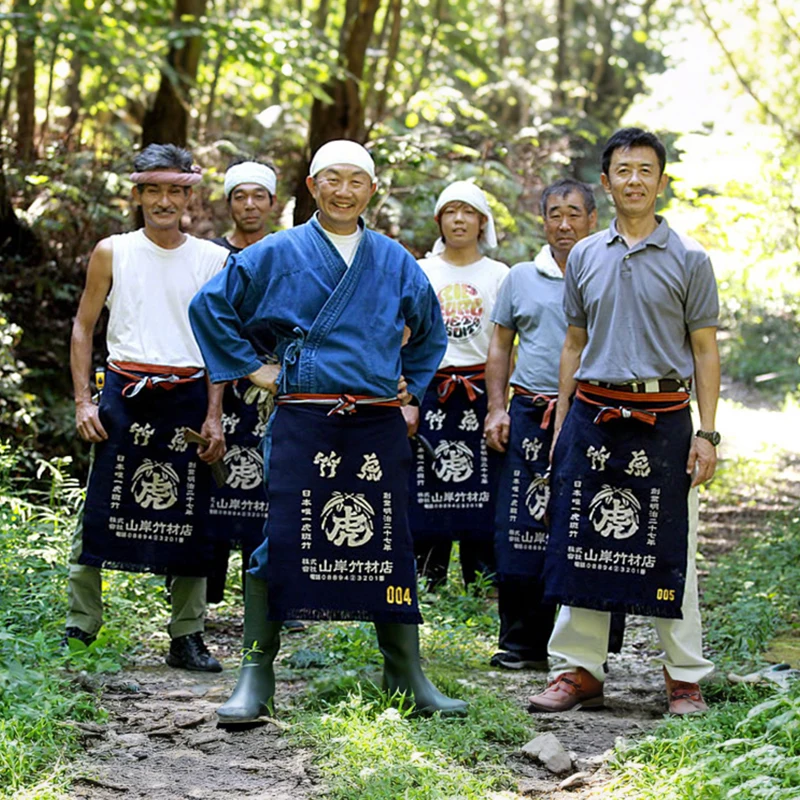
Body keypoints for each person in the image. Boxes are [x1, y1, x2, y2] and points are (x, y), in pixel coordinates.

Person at [190, 139, 468, 722]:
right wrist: (254, 367)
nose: (344, 191)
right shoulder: (277, 251)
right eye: (332, 180)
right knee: (281, 538)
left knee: (388, 541)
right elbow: (208, 306)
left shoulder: (394, 260)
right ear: (313, 187)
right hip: (303, 417)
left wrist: (411, 387)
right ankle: (255, 676)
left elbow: (431, 332)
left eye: (356, 181)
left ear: (371, 190)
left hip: (375, 421)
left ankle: (405, 673)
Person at [527, 128, 719, 715]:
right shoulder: (584, 255)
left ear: (661, 182)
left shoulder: (690, 259)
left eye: (645, 170)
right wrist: (561, 419)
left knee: (671, 548)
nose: (634, 180)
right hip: (593, 412)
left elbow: (705, 350)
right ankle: (578, 670)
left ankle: (683, 676)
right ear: (606, 182)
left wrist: (707, 433)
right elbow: (573, 343)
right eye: (623, 170)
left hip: (664, 417)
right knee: (582, 542)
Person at [65, 143, 229, 672]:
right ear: (136, 195)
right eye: (153, 190)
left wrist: (213, 414)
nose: (164, 200)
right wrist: (83, 401)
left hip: (187, 394)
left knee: (192, 514)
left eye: (175, 190)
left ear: (189, 194)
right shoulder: (113, 250)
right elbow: (83, 326)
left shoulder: (212, 259)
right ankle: (81, 625)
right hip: (125, 392)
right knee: (100, 506)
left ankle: (187, 635)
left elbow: (218, 345)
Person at [404, 181, 508, 591]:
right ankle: (428, 578)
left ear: (483, 221)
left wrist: (502, 401)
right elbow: (407, 333)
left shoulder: (499, 275)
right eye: (451, 211)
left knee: (483, 486)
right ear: (439, 220)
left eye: (468, 211)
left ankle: (480, 579)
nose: (459, 219)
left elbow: (505, 342)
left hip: (483, 390)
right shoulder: (423, 271)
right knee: (428, 479)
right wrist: (407, 393)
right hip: (432, 388)